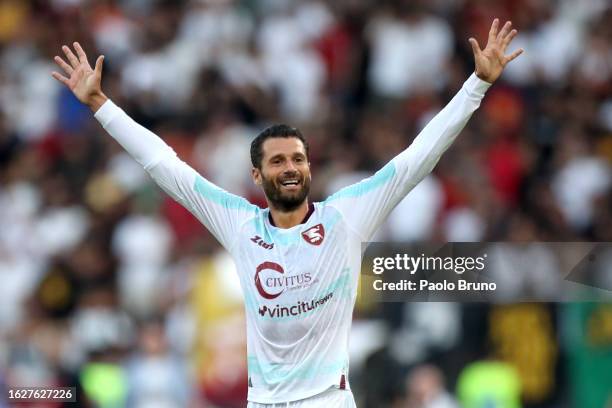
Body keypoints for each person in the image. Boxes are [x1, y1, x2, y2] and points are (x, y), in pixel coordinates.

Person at [52, 18, 523, 407]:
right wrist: (99, 103)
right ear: (257, 176)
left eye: (298, 158)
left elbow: (418, 158)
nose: (291, 168)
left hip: (327, 398)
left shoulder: (346, 217)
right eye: (277, 161)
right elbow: (164, 167)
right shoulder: (240, 224)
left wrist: (477, 85)